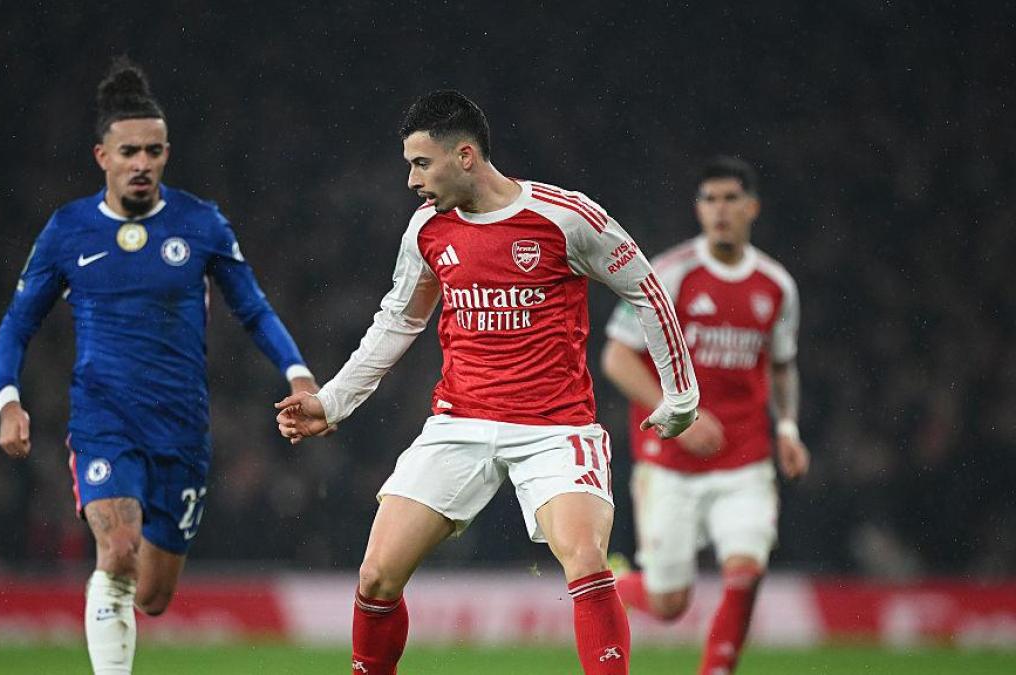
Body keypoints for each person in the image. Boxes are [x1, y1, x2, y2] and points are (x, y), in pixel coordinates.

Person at [276, 90, 699, 675]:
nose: (411, 181)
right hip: (460, 422)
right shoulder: (427, 229)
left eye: (421, 164)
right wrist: (332, 402)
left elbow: (646, 290)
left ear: (465, 156)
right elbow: (398, 321)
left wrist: (682, 395)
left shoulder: (566, 217)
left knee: (585, 559)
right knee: (375, 577)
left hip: (555, 429)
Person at [0, 58, 320, 674]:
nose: (141, 162)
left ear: (166, 153)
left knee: (153, 596)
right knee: (118, 551)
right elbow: (17, 323)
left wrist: (298, 374)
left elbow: (252, 309)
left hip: (181, 429)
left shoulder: (199, 223)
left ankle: (116, 605)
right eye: (128, 152)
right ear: (102, 157)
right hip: (104, 420)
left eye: (152, 151)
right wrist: (9, 400)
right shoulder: (69, 230)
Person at [601, 156, 810, 674]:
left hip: (744, 457)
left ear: (752, 207)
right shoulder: (669, 274)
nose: (720, 210)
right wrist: (682, 413)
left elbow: (782, 366)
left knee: (745, 569)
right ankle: (614, 582)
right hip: (669, 461)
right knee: (669, 604)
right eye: (709, 199)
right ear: (698, 209)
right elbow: (616, 357)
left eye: (730, 199)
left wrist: (787, 427)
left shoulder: (776, 285)